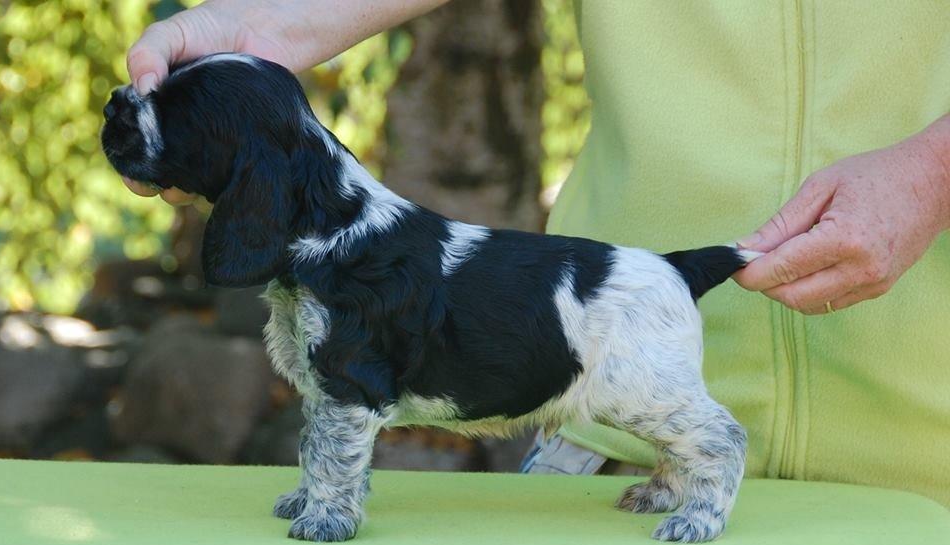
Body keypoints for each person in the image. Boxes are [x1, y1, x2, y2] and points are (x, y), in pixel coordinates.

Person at [122, 0, 950, 506]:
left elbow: (349, 395)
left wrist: (936, 171)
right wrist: (266, 23)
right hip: (592, 458)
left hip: (926, 453)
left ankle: (704, 454)